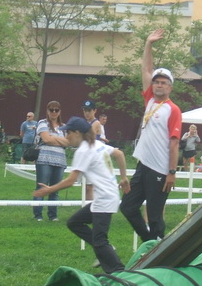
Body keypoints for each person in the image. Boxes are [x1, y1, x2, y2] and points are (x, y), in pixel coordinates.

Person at [33, 117, 130, 273]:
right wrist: (124, 177)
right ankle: (106, 251)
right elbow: (119, 154)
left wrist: (49, 190)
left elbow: (71, 180)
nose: (66, 137)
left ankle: (119, 272)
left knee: (100, 241)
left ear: (77, 133)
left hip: (105, 199)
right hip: (107, 197)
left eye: (68, 133)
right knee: (74, 223)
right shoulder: (97, 144)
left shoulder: (83, 151)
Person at [120, 29, 181, 242]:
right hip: (143, 165)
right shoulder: (150, 100)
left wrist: (171, 173)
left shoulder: (173, 109)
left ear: (170, 87)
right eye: (156, 82)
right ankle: (149, 243)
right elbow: (146, 69)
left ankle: (159, 251)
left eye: (163, 82)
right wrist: (148, 44)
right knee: (127, 207)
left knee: (155, 216)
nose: (159, 85)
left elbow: (174, 144)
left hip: (160, 170)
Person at [33, 101, 68, 222]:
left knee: (55, 189)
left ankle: (53, 215)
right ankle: (38, 215)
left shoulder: (64, 127)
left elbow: (68, 142)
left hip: (60, 161)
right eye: (51, 110)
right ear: (47, 111)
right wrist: (59, 140)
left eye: (56, 110)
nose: (54, 112)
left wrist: (53, 138)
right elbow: (46, 139)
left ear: (60, 112)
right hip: (44, 159)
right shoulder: (42, 123)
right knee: (41, 187)